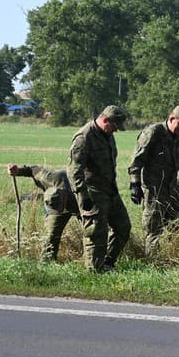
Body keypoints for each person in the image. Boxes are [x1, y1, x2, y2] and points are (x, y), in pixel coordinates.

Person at [68, 105, 131, 272]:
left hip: (110, 190)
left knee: (123, 227)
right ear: (105, 120)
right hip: (93, 192)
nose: (115, 131)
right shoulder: (84, 137)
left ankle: (108, 263)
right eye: (114, 127)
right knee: (96, 233)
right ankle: (94, 271)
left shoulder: (107, 134)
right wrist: (83, 196)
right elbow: (74, 171)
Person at [127, 105, 179, 254]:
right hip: (154, 189)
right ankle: (153, 261)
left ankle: (176, 256)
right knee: (153, 228)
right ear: (171, 119)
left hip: (173, 189)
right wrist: (135, 183)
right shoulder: (153, 133)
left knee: (178, 225)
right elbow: (136, 161)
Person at [7, 163, 79, 262]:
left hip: (81, 203)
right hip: (59, 199)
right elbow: (33, 170)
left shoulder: (81, 190)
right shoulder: (49, 177)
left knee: (92, 232)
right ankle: (47, 261)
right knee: (51, 235)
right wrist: (18, 171)